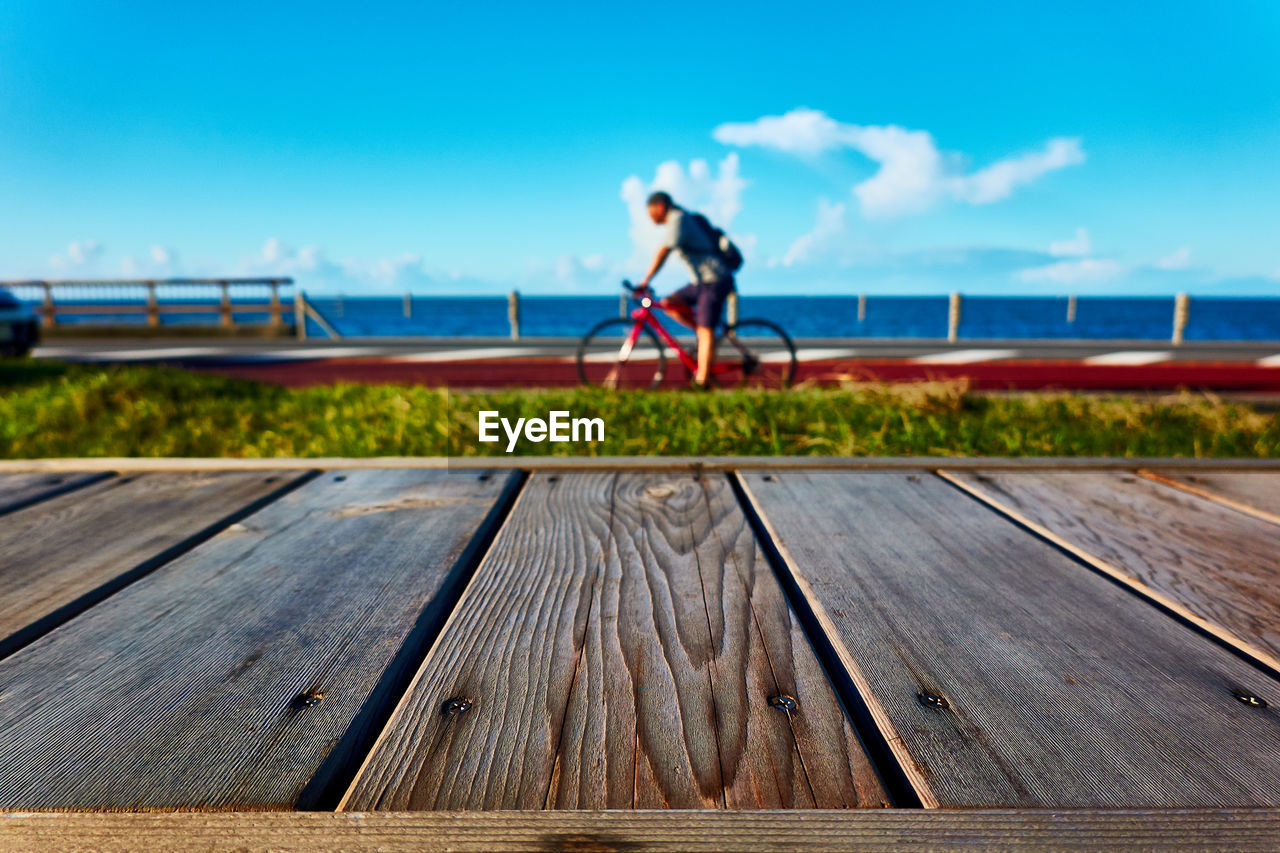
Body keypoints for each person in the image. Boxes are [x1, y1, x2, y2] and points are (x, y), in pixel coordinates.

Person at [637, 191, 737, 388]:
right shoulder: (680, 219)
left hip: (715, 280)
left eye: (651, 212)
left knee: (705, 330)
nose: (650, 217)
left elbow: (664, 250)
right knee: (668, 304)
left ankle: (702, 382)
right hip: (699, 283)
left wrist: (646, 280)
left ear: (660, 207)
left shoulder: (678, 218)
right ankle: (704, 335)